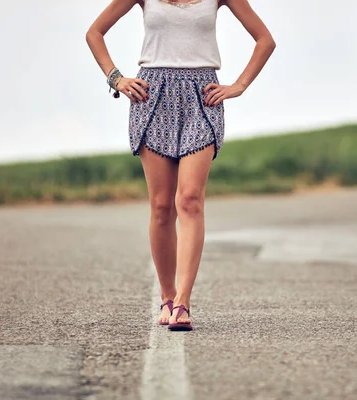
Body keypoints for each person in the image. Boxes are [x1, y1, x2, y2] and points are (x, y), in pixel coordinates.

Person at [86, 0, 275, 331]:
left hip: (203, 97)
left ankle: (184, 303)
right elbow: (94, 33)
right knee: (161, 207)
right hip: (152, 95)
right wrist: (116, 79)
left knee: (189, 200)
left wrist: (238, 86)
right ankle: (168, 296)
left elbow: (265, 40)